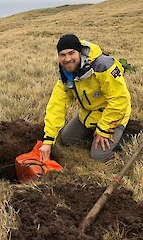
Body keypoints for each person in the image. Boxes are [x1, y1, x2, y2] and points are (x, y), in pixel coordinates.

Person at [39, 34, 131, 162]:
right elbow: (57, 106)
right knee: (66, 139)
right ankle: (95, 133)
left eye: (71, 53)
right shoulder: (65, 73)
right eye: (62, 55)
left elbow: (120, 100)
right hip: (89, 113)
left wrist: (104, 129)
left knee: (98, 157)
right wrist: (48, 140)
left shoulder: (102, 65)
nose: (67, 59)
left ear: (79, 52)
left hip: (113, 113)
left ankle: (125, 132)